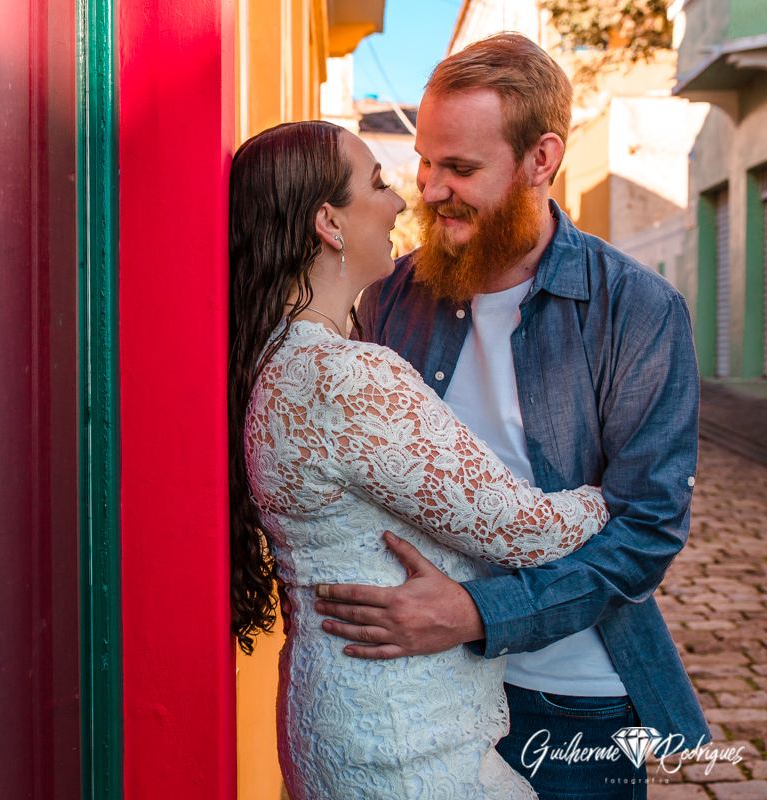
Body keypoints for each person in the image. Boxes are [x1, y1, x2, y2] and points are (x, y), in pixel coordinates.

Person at [316, 33, 709, 799]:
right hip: (417, 689)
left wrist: (475, 613)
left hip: (574, 703)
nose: (429, 190)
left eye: (460, 168)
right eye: (425, 162)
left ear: (542, 158)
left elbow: (647, 526)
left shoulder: (637, 309)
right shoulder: (387, 298)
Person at [229, 119, 612, 799]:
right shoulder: (346, 375)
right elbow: (523, 530)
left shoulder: (275, 357)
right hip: (405, 741)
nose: (402, 200)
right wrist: (615, 492)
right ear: (328, 222)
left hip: (344, 714)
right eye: (378, 183)